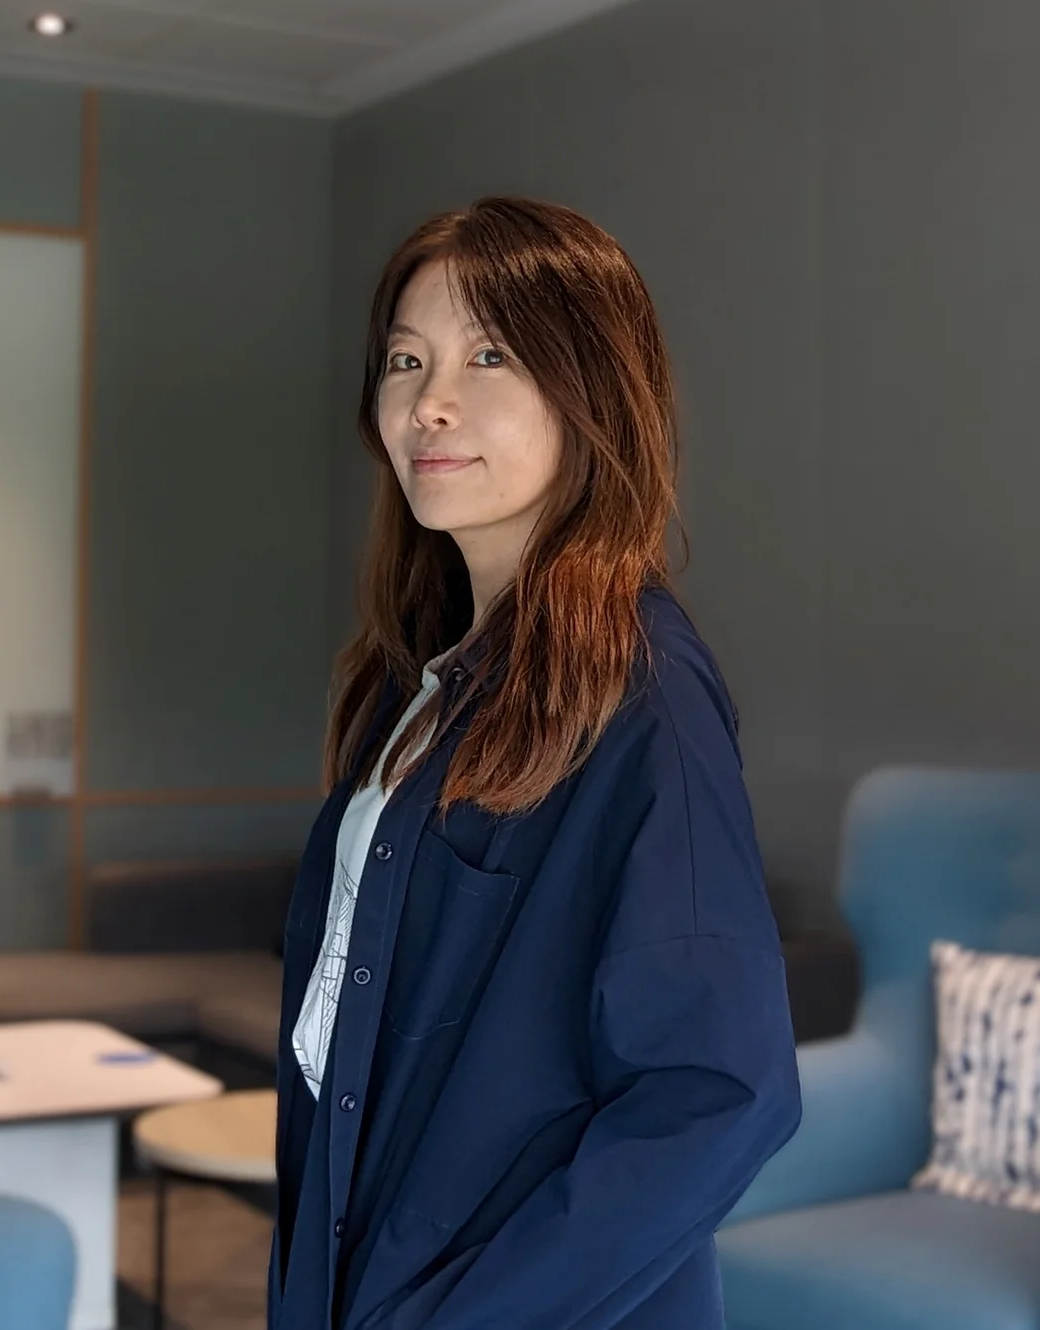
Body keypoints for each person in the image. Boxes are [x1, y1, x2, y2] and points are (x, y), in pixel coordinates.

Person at [270, 197, 802, 1329]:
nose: (430, 401)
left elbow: (717, 1091)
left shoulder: (642, 685)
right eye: (406, 360)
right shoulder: (412, 684)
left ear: (591, 389)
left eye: (490, 354)